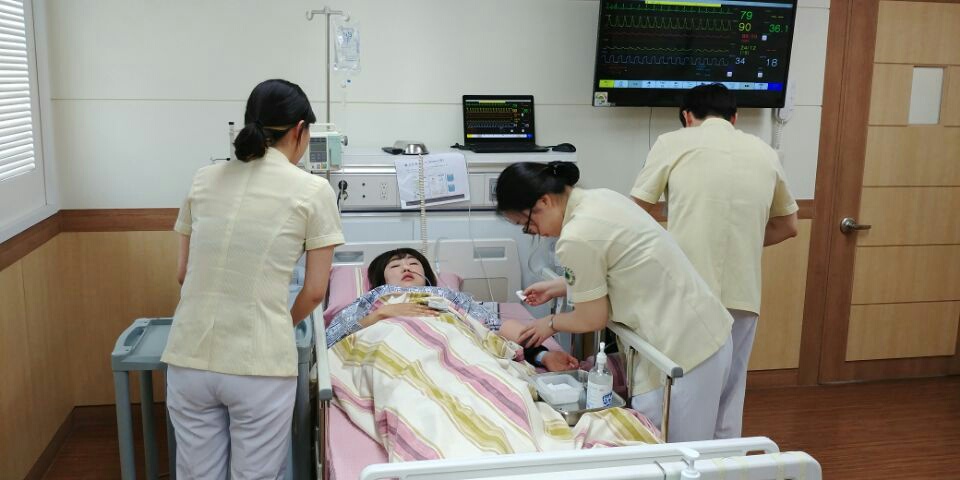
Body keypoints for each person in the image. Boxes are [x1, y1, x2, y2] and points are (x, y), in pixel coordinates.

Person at [161, 79, 344, 478]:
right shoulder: (314, 190)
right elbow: (315, 292)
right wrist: (279, 323)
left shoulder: (204, 178)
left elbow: (182, 273)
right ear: (300, 130)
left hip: (188, 358)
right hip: (258, 364)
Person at [495, 161, 734, 442]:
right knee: (718, 447)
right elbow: (618, 267)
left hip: (683, 352)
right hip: (709, 331)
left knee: (682, 452)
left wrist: (550, 323)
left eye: (527, 225)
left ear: (544, 202)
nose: (535, 233)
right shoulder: (602, 198)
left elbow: (591, 318)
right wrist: (559, 287)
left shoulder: (576, 236)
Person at [631, 83, 798, 439]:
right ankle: (726, 462)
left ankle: (685, 460)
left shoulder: (672, 143)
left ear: (687, 116)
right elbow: (789, 225)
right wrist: (746, 242)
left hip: (689, 293)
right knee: (730, 391)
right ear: (734, 118)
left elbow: (635, 212)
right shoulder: (765, 152)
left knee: (686, 390)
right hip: (744, 293)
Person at [325, 247, 579, 372]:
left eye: (414, 263)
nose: (406, 268)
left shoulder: (449, 297)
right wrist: (382, 314)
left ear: (427, 274)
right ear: (381, 279)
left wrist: (543, 357)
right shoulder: (373, 299)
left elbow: (495, 328)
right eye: (395, 266)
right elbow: (331, 338)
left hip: (453, 347)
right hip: (393, 352)